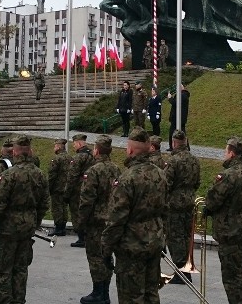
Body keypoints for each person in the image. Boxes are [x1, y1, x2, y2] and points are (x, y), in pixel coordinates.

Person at [102, 127, 167, 304]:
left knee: (131, 296)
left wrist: (106, 248)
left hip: (131, 246)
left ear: (130, 150)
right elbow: (164, 210)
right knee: (151, 293)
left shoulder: (127, 178)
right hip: (154, 240)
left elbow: (116, 218)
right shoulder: (160, 174)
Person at [0, 135, 49, 304]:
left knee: (0, 272)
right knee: (20, 270)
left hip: (6, 231)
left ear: (15, 153)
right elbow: (44, 204)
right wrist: (34, 222)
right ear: (30, 152)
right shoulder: (39, 175)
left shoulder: (8, 175)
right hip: (26, 229)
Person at [205, 136, 242, 304]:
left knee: (231, 276)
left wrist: (207, 208)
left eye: (226, 151)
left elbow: (213, 200)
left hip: (229, 231)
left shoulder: (228, 175)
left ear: (232, 153)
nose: (224, 154)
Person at [78, 135, 122, 304]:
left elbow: (87, 200)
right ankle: (105, 292)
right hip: (111, 220)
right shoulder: (116, 169)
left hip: (96, 221)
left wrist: (81, 222)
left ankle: (99, 293)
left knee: (95, 256)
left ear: (96, 150)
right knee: (106, 255)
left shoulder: (93, 171)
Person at [164, 129, 201, 284]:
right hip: (190, 201)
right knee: (187, 236)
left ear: (173, 143)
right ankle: (187, 266)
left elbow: (166, 183)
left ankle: (181, 271)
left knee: (175, 236)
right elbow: (198, 182)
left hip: (175, 203)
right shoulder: (194, 160)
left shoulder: (173, 161)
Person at [66, 134, 95, 247]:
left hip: (78, 190)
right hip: (91, 189)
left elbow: (72, 176)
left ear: (78, 143)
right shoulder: (93, 155)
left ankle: (81, 238)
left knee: (77, 213)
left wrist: (67, 193)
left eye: (74, 144)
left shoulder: (78, 157)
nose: (73, 146)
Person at [47, 138, 71, 237]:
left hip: (57, 187)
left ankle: (58, 228)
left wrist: (48, 187)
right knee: (64, 207)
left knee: (56, 208)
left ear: (58, 147)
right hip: (66, 187)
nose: (54, 148)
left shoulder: (56, 159)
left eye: (55, 146)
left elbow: (52, 175)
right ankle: (63, 227)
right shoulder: (70, 158)